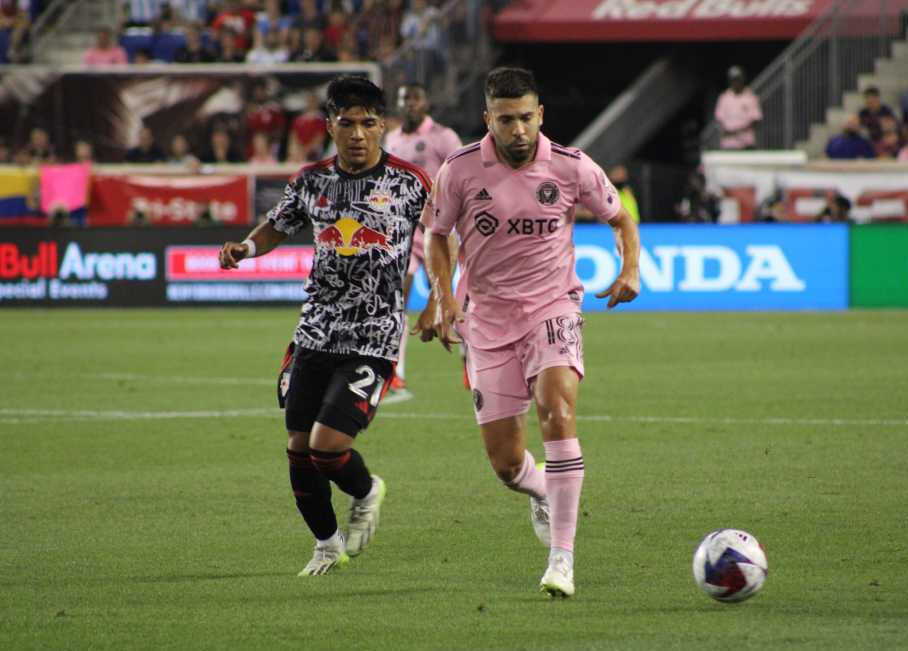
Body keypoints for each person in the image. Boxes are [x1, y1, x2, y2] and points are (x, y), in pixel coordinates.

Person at [415, 67, 641, 598]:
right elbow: (437, 236)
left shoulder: (571, 165)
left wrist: (630, 269)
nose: (517, 130)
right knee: (506, 463)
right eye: (505, 120)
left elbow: (621, 220)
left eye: (525, 118)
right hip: (487, 318)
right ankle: (541, 490)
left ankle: (562, 559)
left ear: (540, 115)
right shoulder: (459, 169)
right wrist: (444, 298)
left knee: (557, 411)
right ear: (487, 119)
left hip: (553, 308)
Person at [217, 76, 430, 576]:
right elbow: (277, 224)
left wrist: (442, 296)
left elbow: (444, 234)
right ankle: (327, 545)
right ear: (330, 126)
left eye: (368, 123)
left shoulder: (411, 182)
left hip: (374, 335)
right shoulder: (311, 181)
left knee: (328, 446)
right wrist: (246, 247)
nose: (357, 134)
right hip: (315, 331)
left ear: (383, 126)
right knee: (298, 448)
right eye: (346, 123)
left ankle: (366, 489)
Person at [382, 83, 462, 397]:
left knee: (447, 297)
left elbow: (461, 176)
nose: (410, 104)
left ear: (426, 102)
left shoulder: (443, 137)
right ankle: (395, 372)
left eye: (415, 99)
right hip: (403, 230)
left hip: (437, 229)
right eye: (405, 99)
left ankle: (471, 357)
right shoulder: (391, 139)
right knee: (396, 300)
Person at [714, 65, 762, 150]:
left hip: (746, 145)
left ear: (742, 79)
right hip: (728, 145)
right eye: (733, 80)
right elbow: (719, 119)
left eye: (737, 79)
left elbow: (756, 120)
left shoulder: (750, 97)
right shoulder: (724, 97)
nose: (735, 82)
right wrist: (724, 131)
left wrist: (737, 132)